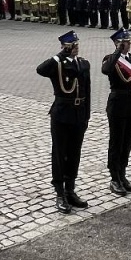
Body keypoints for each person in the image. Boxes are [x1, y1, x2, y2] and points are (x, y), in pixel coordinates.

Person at [37, 30, 92, 212]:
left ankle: (70, 190)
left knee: (74, 153)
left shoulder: (83, 64)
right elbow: (40, 69)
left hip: (78, 114)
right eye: (71, 46)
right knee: (60, 153)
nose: (75, 48)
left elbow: (87, 91)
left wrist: (86, 115)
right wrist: (61, 54)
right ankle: (60, 193)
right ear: (64, 47)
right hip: (61, 114)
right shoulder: (57, 64)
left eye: (76, 45)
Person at [100, 29, 131, 195]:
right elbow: (106, 70)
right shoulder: (110, 59)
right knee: (116, 142)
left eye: (129, 42)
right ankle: (114, 178)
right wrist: (118, 51)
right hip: (117, 105)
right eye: (125, 42)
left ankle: (123, 174)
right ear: (118, 43)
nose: (129, 44)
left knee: (127, 142)